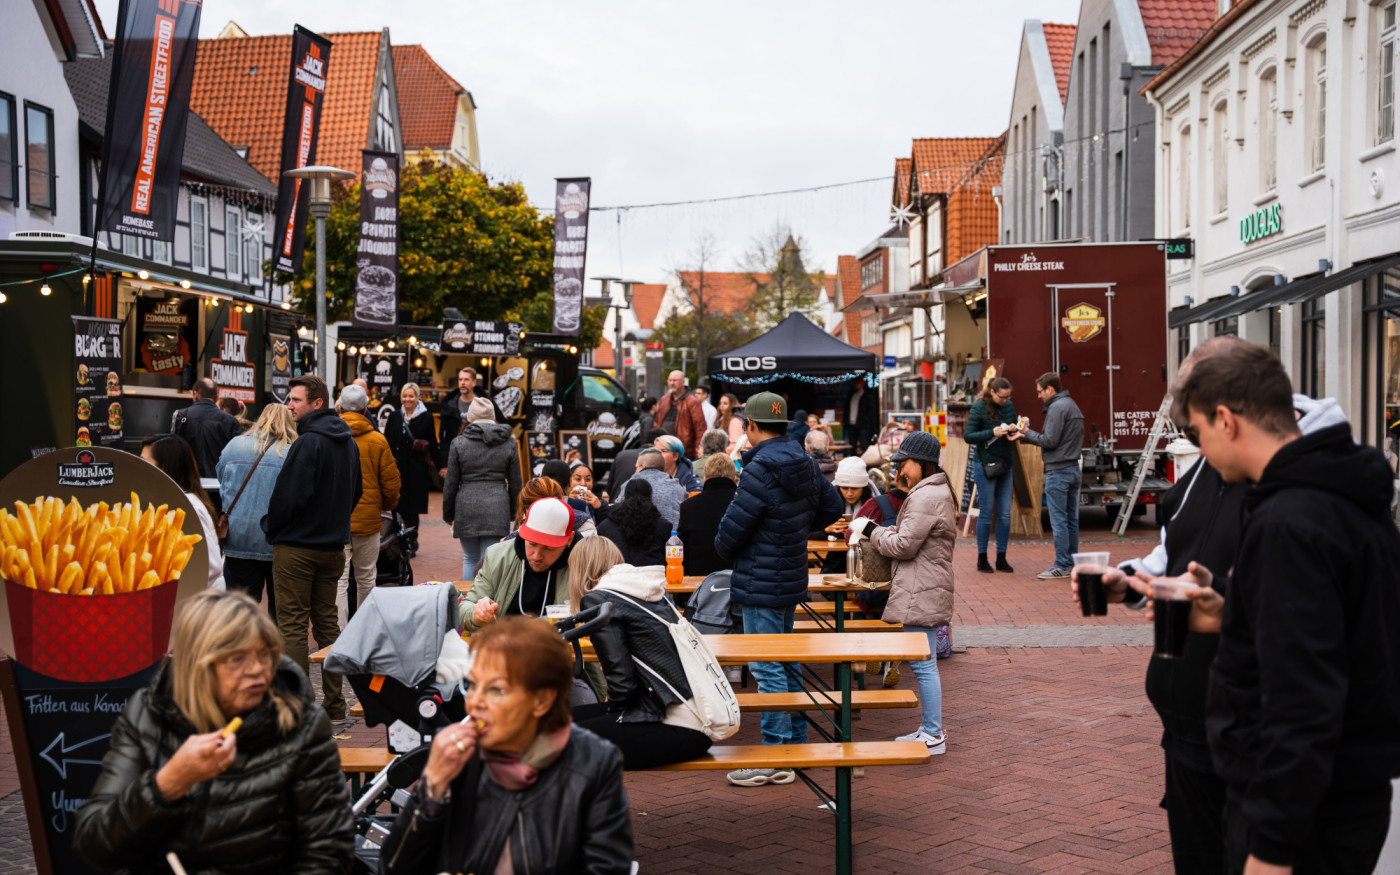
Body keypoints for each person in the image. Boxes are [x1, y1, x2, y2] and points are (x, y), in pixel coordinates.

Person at [1153, 342, 1400, 875]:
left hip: (1304, 820)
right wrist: (1233, 609)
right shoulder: (1343, 493)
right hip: (1343, 799)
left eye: (1198, 432)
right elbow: (1344, 628)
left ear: (1226, 420)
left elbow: (1301, 701)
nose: (1201, 450)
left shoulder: (1288, 520)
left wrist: (1270, 847)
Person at [1069, 336, 1252, 874]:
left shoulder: (1288, 487)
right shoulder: (1203, 475)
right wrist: (1126, 580)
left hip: (1248, 731)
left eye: (1193, 428)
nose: (1189, 442)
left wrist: (1227, 609)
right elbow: (1174, 552)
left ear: (1226, 417)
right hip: (1186, 727)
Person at [73, 590, 354, 873]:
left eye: (265, 654)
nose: (257, 670)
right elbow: (94, 844)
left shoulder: (298, 724)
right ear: (198, 664)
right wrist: (168, 783)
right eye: (236, 658)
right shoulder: (148, 714)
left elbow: (328, 852)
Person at [378, 616, 633, 875]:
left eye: (496, 690)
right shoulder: (461, 759)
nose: (475, 702)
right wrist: (431, 789)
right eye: (472, 685)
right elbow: (394, 867)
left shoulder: (593, 764)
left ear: (542, 701)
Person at [714, 391, 841, 786]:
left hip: (760, 578)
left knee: (767, 665)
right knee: (786, 661)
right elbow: (833, 507)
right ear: (786, 425)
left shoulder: (759, 468)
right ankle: (796, 743)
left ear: (750, 426)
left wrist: (735, 543)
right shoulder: (804, 460)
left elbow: (730, 533)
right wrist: (797, 527)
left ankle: (776, 754)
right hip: (790, 576)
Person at [847, 431, 954, 756]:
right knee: (926, 663)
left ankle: (933, 733)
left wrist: (871, 530)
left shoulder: (924, 496)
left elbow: (904, 547)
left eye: (904, 463)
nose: (900, 471)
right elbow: (913, 537)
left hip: (921, 588)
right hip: (925, 585)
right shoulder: (933, 491)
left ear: (921, 463)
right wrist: (891, 530)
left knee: (924, 665)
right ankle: (930, 728)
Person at [263, 374, 361, 721]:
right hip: (332, 546)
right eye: (289, 400)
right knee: (326, 625)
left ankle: (300, 706)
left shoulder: (308, 443)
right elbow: (356, 493)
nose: (289, 406)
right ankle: (334, 704)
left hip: (298, 546)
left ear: (317, 403)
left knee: (291, 625)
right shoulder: (346, 442)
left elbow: (288, 497)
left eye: (295, 400)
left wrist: (272, 527)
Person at [568, 538, 714, 768]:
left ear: (578, 570)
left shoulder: (600, 600)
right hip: (695, 718)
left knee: (555, 740)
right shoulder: (649, 592)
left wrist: (610, 717)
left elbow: (622, 687)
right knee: (560, 723)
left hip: (676, 725)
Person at [216, 404, 297, 614]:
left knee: (241, 607)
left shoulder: (234, 445)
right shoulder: (291, 451)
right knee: (279, 608)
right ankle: (273, 645)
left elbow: (221, 477)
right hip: (276, 539)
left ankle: (241, 645)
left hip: (238, 535)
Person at [459, 498, 577, 632]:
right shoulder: (498, 555)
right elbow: (465, 608)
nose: (536, 556)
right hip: (499, 647)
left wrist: (519, 629)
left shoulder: (584, 564)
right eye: (532, 544)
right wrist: (477, 615)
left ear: (570, 539)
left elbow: (583, 615)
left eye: (549, 548)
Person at [335, 384, 401, 625]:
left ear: (339, 408)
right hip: (369, 521)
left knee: (339, 581)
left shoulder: (330, 437)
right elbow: (391, 484)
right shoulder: (378, 440)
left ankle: (337, 637)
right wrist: (383, 505)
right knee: (366, 578)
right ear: (365, 410)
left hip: (336, 521)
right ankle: (363, 633)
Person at [1011, 373, 1084, 579]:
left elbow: (1050, 440)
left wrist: (1026, 432)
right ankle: (1072, 562)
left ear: (1050, 389)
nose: (1038, 396)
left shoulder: (1057, 407)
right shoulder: (1071, 405)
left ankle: (1062, 564)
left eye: (1040, 391)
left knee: (1059, 520)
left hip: (1058, 470)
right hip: (1072, 468)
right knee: (1071, 519)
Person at [444, 396, 522, 580]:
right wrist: (513, 511)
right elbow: (516, 482)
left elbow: (451, 483)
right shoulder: (508, 443)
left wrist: (448, 514)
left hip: (466, 505)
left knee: (470, 558)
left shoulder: (459, 443)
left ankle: (469, 603)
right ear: (492, 416)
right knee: (491, 559)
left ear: (470, 417)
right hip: (497, 506)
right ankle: (487, 602)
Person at [141, 434, 225, 591]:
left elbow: (212, 567)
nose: (139, 469)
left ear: (164, 468)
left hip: (199, 605)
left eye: (145, 463)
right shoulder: (171, 502)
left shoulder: (188, 507)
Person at [964, 376, 1019, 574]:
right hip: (985, 464)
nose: (1006, 400)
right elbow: (968, 436)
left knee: (1004, 513)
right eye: (1002, 397)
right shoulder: (979, 408)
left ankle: (1001, 558)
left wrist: (1014, 428)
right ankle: (982, 558)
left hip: (1005, 463)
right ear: (992, 392)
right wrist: (991, 433)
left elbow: (1013, 424)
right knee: (986, 513)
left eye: (1008, 397)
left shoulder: (1009, 406)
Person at [385, 382, 438, 559]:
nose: (408, 399)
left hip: (416, 470)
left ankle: (412, 541)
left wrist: (441, 466)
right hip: (397, 469)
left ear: (417, 398)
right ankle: (398, 540)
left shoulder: (426, 417)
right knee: (398, 506)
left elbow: (433, 444)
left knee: (412, 508)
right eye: (405, 396)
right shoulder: (394, 416)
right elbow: (386, 442)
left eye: (411, 396)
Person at [171, 377, 241, 486]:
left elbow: (171, 450)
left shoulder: (180, 416)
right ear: (216, 397)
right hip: (219, 484)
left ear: (195, 394)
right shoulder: (230, 420)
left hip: (188, 483)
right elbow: (236, 456)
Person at [678, 453, 739, 577]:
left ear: (705, 478)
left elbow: (683, 551)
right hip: (735, 579)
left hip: (699, 582)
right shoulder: (742, 504)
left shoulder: (688, 506)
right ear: (733, 478)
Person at [437, 367, 504, 469]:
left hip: (482, 457)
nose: (462, 383)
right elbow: (444, 438)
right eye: (460, 380)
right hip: (457, 457)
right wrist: (444, 464)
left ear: (473, 382)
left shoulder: (485, 403)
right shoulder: (449, 406)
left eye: (466, 380)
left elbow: (501, 423)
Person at [597, 478, 671, 567]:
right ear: (651, 500)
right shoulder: (664, 526)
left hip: (618, 577)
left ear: (624, 499)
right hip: (655, 577)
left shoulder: (605, 527)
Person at [616, 447, 687, 528]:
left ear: (642, 466)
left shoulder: (629, 484)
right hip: (674, 537)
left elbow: (617, 509)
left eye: (636, 467)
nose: (635, 471)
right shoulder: (677, 485)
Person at [653, 370, 707, 457]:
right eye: (670, 380)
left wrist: (698, 451)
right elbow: (656, 422)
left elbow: (700, 428)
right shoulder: (664, 399)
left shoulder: (692, 402)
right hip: (663, 448)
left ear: (683, 382)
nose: (671, 383)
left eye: (675, 380)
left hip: (684, 451)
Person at [542, 459, 596, 525]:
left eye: (587, 479)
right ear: (569, 482)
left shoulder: (535, 502)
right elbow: (591, 529)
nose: (583, 484)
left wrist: (600, 507)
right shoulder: (580, 505)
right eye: (578, 479)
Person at [844, 376, 879, 454]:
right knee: (852, 445)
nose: (855, 385)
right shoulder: (851, 395)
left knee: (864, 445)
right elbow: (847, 409)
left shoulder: (867, 396)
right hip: (851, 423)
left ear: (861, 384)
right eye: (855, 383)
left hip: (863, 425)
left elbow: (870, 412)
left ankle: (865, 461)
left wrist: (866, 423)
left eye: (857, 383)